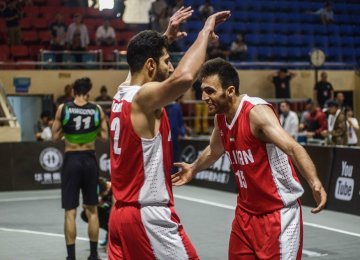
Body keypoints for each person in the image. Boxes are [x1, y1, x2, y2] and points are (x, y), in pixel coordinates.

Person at [172, 58, 327, 260]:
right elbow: (214, 150)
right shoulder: (221, 117)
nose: (203, 97)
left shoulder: (256, 113)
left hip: (277, 216)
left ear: (229, 91)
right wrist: (193, 168)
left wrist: (314, 182)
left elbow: (293, 147)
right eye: (203, 90)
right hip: (245, 215)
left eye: (210, 91)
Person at [108, 8, 231, 259]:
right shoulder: (143, 99)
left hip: (120, 214)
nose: (170, 66)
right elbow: (185, 78)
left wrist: (164, 39)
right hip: (147, 215)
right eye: (166, 61)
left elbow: (138, 60)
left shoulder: (121, 93)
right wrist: (205, 31)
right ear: (151, 65)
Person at [52, 77, 108, 260]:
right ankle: (93, 255)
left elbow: (54, 137)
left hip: (71, 160)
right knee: (92, 209)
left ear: (74, 92)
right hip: (89, 160)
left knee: (70, 211)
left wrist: (68, 132)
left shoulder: (64, 108)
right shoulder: (96, 109)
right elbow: (104, 136)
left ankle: (71, 257)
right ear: (88, 92)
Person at [81, 177, 112, 247]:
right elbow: (100, 202)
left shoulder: (114, 189)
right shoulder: (103, 187)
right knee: (85, 213)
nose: (101, 196)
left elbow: (113, 210)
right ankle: (109, 232)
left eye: (101, 194)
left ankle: (112, 238)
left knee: (110, 214)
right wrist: (88, 205)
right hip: (109, 210)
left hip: (118, 213)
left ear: (107, 189)